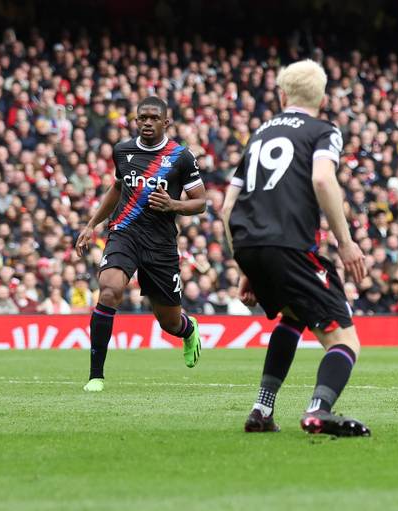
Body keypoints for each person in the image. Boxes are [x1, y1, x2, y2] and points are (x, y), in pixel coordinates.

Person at [221, 60, 370, 437]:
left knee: (292, 316)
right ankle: (319, 410)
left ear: (282, 95)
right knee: (344, 339)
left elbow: (226, 206)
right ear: (321, 98)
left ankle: (262, 408)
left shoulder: (259, 134)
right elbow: (322, 179)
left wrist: (245, 267)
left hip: (249, 244)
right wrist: (347, 243)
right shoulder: (323, 130)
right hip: (289, 246)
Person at [75, 96, 207, 392]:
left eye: (153, 118)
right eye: (142, 118)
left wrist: (173, 204)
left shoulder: (181, 157)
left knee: (169, 323)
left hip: (160, 245)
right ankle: (96, 375)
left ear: (165, 122)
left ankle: (189, 329)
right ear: (137, 121)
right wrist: (91, 224)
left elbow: (201, 203)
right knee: (109, 290)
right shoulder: (123, 150)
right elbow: (118, 187)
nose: (147, 123)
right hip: (125, 233)